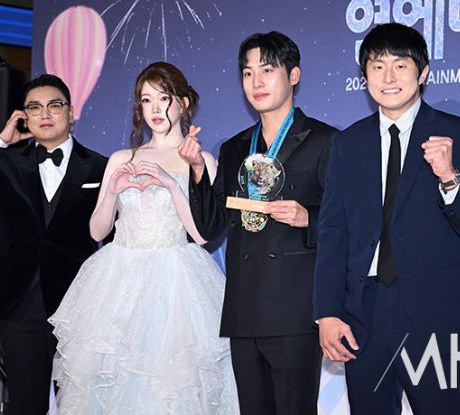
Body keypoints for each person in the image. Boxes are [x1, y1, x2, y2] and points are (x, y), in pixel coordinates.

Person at [314, 23, 460, 414]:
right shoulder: (347, 143)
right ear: (365, 76)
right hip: (364, 315)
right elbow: (333, 232)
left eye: (400, 65)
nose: (388, 77)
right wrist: (327, 311)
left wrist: (449, 176)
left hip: (435, 314)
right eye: (377, 67)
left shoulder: (457, 134)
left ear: (422, 72)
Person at [48, 62, 239, 414]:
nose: (155, 109)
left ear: (183, 103)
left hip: (176, 283)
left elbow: (202, 235)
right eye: (146, 100)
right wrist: (111, 192)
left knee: (169, 382)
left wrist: (171, 184)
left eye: (163, 98)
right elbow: (96, 231)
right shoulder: (123, 158)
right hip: (117, 281)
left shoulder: (202, 160)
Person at [180, 32, 338, 414]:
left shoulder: (326, 140)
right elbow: (210, 227)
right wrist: (198, 171)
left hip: (294, 308)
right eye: (248, 73)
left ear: (294, 75)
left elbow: (347, 222)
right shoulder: (235, 147)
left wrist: (308, 217)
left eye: (267, 70)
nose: (256, 82)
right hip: (244, 307)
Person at [0, 74, 109, 414]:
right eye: (34, 108)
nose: (45, 114)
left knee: (79, 403)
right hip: (19, 300)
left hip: (78, 304)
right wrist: (1, 140)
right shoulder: (8, 161)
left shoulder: (101, 166)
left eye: (54, 105)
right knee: (26, 404)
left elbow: (111, 238)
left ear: (72, 112)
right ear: (24, 116)